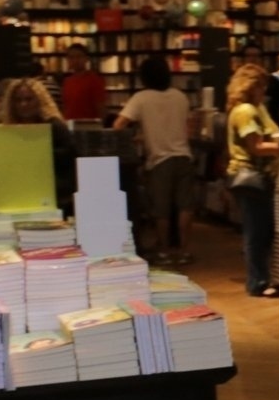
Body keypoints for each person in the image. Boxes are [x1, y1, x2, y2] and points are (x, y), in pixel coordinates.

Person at [114, 55, 198, 266]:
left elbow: (118, 125)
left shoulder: (141, 98)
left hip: (160, 159)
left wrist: (137, 138)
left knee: (160, 208)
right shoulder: (180, 96)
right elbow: (186, 129)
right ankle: (184, 249)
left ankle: (164, 250)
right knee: (184, 206)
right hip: (184, 156)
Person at [227, 62, 279, 297]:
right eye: (261, 86)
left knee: (264, 230)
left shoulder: (256, 108)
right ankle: (257, 282)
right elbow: (257, 147)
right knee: (257, 232)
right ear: (251, 86)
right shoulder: (245, 111)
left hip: (261, 176)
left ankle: (264, 278)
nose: (265, 91)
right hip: (251, 177)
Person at [0, 77, 76, 214]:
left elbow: (69, 162)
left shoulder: (55, 126)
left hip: (55, 197)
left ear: (40, 101)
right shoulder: (7, 131)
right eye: (18, 100)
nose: (23, 104)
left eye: (29, 99)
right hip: (17, 195)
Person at [60, 43, 105, 123]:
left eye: (79, 56)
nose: (75, 60)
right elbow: (65, 107)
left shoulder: (94, 80)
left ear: (86, 59)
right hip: (69, 125)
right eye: (71, 57)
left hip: (88, 126)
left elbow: (100, 107)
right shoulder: (67, 81)